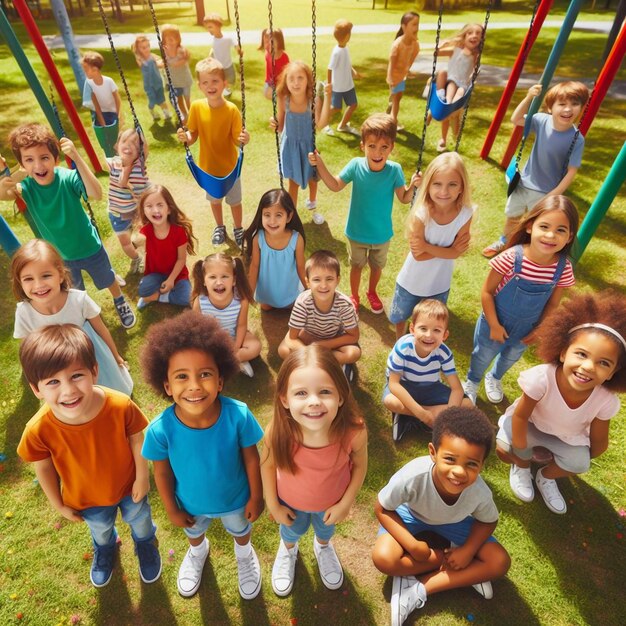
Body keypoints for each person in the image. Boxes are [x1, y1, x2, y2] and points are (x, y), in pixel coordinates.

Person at [17, 324, 161, 588]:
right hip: (87, 499)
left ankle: (145, 543)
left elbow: (137, 438)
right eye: (53, 382)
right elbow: (44, 467)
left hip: (131, 488)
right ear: (36, 389)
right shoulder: (38, 429)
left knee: (140, 521)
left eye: (76, 376)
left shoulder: (119, 405)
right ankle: (105, 549)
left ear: (94, 371)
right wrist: (58, 504)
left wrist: (142, 477)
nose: (68, 390)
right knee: (101, 529)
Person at [141, 311, 264, 600]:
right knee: (194, 533)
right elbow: (162, 472)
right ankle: (198, 552)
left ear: (220, 380)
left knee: (240, 530)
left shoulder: (238, 416)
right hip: (190, 504)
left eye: (205, 374)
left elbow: (252, 458)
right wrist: (172, 508)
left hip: (235, 500)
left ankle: (244, 554)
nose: (194, 385)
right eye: (182, 377)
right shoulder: (160, 430)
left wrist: (256, 497)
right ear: (167, 386)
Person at [372, 406, 511, 626]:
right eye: (450, 459)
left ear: (482, 465)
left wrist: (468, 550)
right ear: (432, 452)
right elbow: (381, 507)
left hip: (457, 523)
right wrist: (412, 545)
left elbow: (488, 520)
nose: (459, 472)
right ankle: (466, 568)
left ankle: (419, 589)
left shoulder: (479, 492)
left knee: (499, 562)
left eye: (471, 464)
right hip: (410, 516)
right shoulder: (412, 476)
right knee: (384, 558)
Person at [496, 291, 626, 515]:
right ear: (564, 353)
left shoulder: (605, 400)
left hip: (567, 437)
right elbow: (520, 416)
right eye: (582, 354)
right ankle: (523, 467)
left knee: (579, 463)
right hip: (530, 426)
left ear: (612, 373)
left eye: (603, 363)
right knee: (505, 447)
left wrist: (578, 456)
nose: (588, 367)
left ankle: (545, 476)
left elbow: (599, 442)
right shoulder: (541, 378)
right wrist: (521, 451)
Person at [0, 124, 136, 329]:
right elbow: (5, 194)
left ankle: (119, 299)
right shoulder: (26, 188)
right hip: (61, 257)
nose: (38, 165)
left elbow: (95, 194)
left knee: (107, 278)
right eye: (29, 159)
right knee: (75, 291)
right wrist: (8, 177)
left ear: (55, 159)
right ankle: (85, 315)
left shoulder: (67, 177)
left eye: (44, 157)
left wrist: (76, 156)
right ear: (22, 165)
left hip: (89, 246)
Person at [261, 345, 368, 596]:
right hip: (290, 502)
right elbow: (267, 464)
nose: (314, 402)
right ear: (284, 400)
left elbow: (361, 465)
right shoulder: (278, 431)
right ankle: (288, 549)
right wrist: (273, 504)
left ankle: (323, 547)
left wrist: (346, 504)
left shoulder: (354, 432)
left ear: (341, 396)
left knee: (325, 530)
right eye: (301, 393)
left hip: (331, 503)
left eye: (325, 391)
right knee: (292, 531)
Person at [464, 196, 578, 405]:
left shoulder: (563, 268)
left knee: (510, 357)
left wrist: (539, 330)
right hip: (494, 323)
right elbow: (487, 292)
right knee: (482, 356)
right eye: (544, 226)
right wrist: (494, 325)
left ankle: (494, 377)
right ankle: (472, 381)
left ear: (569, 237)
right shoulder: (510, 258)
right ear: (529, 227)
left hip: (527, 329)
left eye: (561, 230)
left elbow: (553, 304)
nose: (551, 235)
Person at [310, 113, 420, 314]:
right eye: (372, 146)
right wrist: (319, 163)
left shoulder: (395, 170)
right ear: (363, 146)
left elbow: (404, 198)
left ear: (391, 148)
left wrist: (413, 185)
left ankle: (371, 291)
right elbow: (335, 185)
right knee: (357, 266)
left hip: (381, 234)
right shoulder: (355, 165)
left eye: (384, 147)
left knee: (377, 267)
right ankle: (354, 295)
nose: (377, 152)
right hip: (357, 232)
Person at [482, 81, 589, 258]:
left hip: (546, 192)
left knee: (535, 225)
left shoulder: (576, 139)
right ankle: (504, 241)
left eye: (575, 104)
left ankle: (523, 252)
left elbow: (571, 171)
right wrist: (529, 97)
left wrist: (554, 195)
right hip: (523, 183)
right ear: (550, 108)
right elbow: (515, 119)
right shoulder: (541, 120)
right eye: (562, 104)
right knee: (513, 216)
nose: (568, 109)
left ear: (582, 108)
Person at [11, 239, 132, 395]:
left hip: (93, 357)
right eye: (28, 279)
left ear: (60, 275)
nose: (38, 285)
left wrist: (116, 356)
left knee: (108, 393)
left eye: (46, 276)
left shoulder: (79, 300)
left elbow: (101, 329)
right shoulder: (24, 314)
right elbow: (28, 352)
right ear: (20, 282)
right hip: (56, 369)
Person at [389, 152, 473, 338]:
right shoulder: (421, 214)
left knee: (431, 320)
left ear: (462, 187)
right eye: (437, 184)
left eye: (452, 184)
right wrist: (449, 251)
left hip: (439, 282)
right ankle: (400, 343)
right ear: (428, 186)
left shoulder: (466, 214)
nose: (444, 192)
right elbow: (419, 255)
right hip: (412, 280)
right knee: (401, 316)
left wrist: (427, 247)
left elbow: (457, 252)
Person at [177, 58, 250, 247]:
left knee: (235, 201)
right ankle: (219, 227)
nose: (211, 86)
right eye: (206, 82)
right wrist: (187, 137)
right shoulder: (197, 107)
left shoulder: (232, 110)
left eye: (215, 81)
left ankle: (238, 228)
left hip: (231, 167)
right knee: (215, 201)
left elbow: (235, 139)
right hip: (208, 168)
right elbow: (193, 134)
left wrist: (243, 139)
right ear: (200, 85)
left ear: (224, 83)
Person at [384, 299, 472, 442]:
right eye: (423, 328)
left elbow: (457, 389)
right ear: (412, 329)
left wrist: (448, 417)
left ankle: (410, 416)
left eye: (436, 330)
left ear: (445, 335)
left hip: (430, 387)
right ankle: (421, 417)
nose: (429, 335)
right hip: (405, 385)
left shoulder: (444, 353)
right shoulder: (403, 347)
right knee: (390, 401)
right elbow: (394, 384)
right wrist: (422, 414)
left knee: (468, 405)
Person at [278, 250, 361, 380]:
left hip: (335, 339)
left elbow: (353, 336)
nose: (323, 285)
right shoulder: (302, 302)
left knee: (353, 353)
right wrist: (309, 352)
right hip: (308, 338)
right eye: (317, 279)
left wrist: (323, 346)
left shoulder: (345, 304)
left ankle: (313, 366)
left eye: (329, 279)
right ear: (307, 282)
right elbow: (292, 337)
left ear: (337, 280)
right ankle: (331, 366)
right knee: (283, 350)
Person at [270, 60, 331, 224]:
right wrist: (274, 123)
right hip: (290, 148)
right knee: (294, 183)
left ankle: (312, 201)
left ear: (308, 81)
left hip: (308, 148)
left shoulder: (313, 101)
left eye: (300, 78)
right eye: (291, 78)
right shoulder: (285, 100)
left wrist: (327, 98)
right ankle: (292, 215)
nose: (295, 83)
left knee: (312, 178)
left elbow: (321, 124)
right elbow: (280, 126)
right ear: (286, 81)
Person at [191, 252, 261, 378]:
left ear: (233, 280)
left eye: (224, 276)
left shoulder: (241, 300)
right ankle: (229, 362)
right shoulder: (200, 301)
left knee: (255, 347)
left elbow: (241, 326)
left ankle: (226, 361)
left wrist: (236, 348)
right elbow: (197, 329)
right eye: (212, 277)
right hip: (211, 340)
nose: (219, 282)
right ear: (204, 281)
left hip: (234, 336)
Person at [242, 188, 306, 311]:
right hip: (267, 292)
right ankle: (270, 299)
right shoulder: (258, 238)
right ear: (261, 215)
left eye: (278, 215)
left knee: (292, 306)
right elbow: (254, 266)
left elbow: (301, 267)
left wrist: (309, 290)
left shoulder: (296, 239)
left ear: (289, 216)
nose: (272, 221)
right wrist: (248, 294)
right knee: (265, 307)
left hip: (289, 291)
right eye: (267, 215)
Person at [134, 184, 196, 310]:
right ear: (144, 211)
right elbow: (133, 245)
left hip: (177, 275)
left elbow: (181, 259)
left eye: (160, 205)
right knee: (143, 290)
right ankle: (151, 295)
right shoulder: (144, 233)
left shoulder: (178, 232)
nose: (155, 210)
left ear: (169, 209)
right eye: (149, 206)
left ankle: (157, 297)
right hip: (155, 274)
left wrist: (171, 280)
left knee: (188, 298)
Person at [104, 128, 150, 275]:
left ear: (140, 151)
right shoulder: (114, 163)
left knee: (145, 237)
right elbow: (101, 162)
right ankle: (136, 258)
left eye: (134, 144)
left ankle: (149, 255)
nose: (128, 146)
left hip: (135, 211)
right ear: (117, 146)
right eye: (124, 141)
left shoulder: (139, 166)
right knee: (125, 243)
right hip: (117, 213)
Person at [431, 23, 483, 152]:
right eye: (470, 33)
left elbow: (474, 71)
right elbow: (436, 53)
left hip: (463, 88)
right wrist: (442, 44)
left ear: (481, 38)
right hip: (451, 82)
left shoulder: (476, 55)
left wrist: (475, 75)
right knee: (447, 111)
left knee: (455, 116)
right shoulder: (455, 50)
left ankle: (454, 130)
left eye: (478, 33)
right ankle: (443, 139)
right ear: (464, 36)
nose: (474, 36)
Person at [324, 19, 360, 136]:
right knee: (336, 108)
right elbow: (329, 68)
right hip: (338, 87)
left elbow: (347, 64)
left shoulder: (345, 48)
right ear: (346, 36)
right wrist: (329, 84)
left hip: (348, 84)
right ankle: (323, 123)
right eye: (349, 32)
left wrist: (353, 72)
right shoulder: (337, 52)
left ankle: (343, 125)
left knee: (353, 105)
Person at [387, 12, 420, 130]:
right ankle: (393, 121)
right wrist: (390, 77)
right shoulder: (397, 44)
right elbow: (392, 62)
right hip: (394, 76)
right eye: (414, 24)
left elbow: (411, 59)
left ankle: (390, 113)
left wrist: (408, 70)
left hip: (402, 76)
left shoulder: (415, 45)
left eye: (418, 24)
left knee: (398, 97)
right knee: (396, 98)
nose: (417, 28)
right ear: (404, 27)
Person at [131, 35, 172, 121]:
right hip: (149, 85)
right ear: (138, 49)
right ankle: (152, 112)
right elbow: (140, 62)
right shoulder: (139, 59)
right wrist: (136, 50)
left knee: (161, 99)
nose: (146, 49)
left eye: (148, 46)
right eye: (143, 47)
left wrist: (164, 60)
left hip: (158, 82)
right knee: (152, 101)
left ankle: (166, 113)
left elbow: (161, 63)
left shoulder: (153, 56)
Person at [162, 24, 194, 122]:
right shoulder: (164, 50)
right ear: (164, 39)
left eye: (173, 38)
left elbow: (181, 62)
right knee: (179, 99)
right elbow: (164, 62)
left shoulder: (181, 50)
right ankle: (185, 115)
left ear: (178, 39)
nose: (171, 40)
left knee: (187, 99)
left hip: (184, 79)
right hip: (174, 81)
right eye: (168, 37)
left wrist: (169, 63)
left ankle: (192, 115)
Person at [81, 51, 121, 130]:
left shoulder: (109, 81)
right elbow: (96, 106)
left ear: (95, 69)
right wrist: (103, 123)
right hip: (100, 114)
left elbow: (117, 99)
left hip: (113, 112)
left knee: (115, 133)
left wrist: (118, 114)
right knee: (104, 135)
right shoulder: (89, 83)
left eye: (86, 69)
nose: (84, 72)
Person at [204, 13, 240, 96]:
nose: (208, 29)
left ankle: (226, 90)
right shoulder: (213, 39)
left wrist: (238, 49)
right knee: (219, 80)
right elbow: (214, 48)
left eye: (210, 27)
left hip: (228, 64)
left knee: (231, 80)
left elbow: (235, 44)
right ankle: (224, 92)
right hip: (218, 66)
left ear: (218, 26)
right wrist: (210, 57)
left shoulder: (227, 38)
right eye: (207, 28)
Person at [259, 28, 289, 99]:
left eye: (271, 41)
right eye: (265, 41)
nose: (267, 44)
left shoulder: (283, 57)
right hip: (270, 85)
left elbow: (288, 73)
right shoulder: (268, 54)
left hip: (280, 84)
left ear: (279, 42)